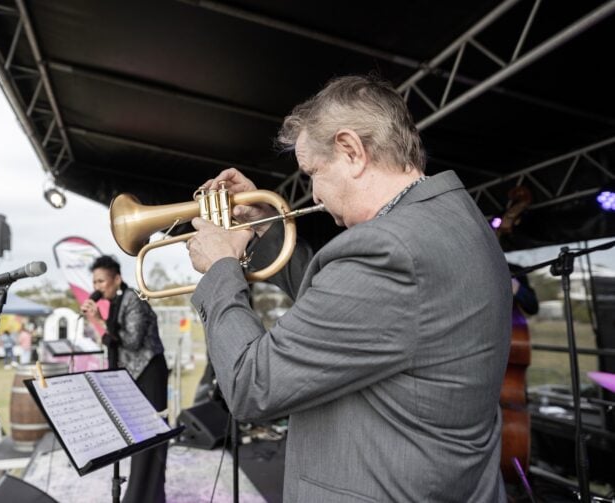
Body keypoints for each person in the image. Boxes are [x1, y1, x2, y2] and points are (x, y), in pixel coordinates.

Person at [185, 74, 512, 502]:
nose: (314, 193)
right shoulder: (448, 220)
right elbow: (341, 315)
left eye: (313, 173)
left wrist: (220, 268)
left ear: (351, 151)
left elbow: (253, 385)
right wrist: (266, 229)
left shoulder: (391, 250)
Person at [81, 255, 168, 503]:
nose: (97, 287)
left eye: (101, 281)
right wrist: (97, 323)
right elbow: (114, 340)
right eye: (95, 282)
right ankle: (141, 495)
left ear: (116, 279)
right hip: (134, 374)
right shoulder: (117, 301)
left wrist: (99, 321)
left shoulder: (133, 299)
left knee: (151, 435)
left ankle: (146, 496)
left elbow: (131, 341)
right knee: (138, 436)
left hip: (149, 372)